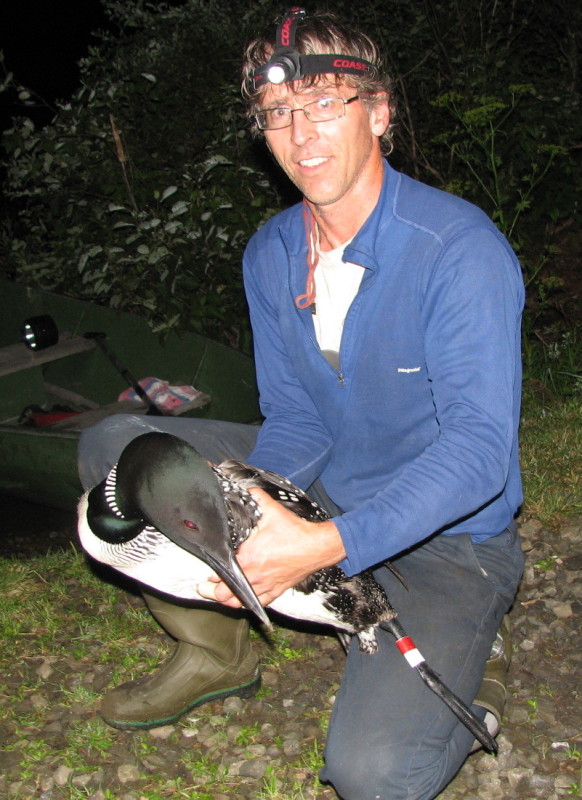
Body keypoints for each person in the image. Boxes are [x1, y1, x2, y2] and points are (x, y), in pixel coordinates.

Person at [78, 8, 525, 799]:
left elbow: (480, 454)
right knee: (121, 452)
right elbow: (298, 416)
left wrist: (323, 546)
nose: (303, 133)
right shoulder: (274, 250)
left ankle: (459, 679)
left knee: (372, 776)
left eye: (327, 104)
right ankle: (220, 652)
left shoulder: (459, 249)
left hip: (450, 541)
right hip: (325, 492)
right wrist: (251, 506)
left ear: (379, 113)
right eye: (281, 113)